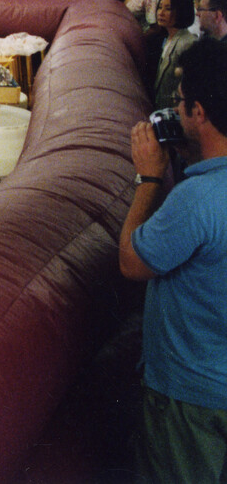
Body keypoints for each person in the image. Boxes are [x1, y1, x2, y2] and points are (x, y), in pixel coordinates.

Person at [119, 39, 227, 484]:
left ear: (199, 112)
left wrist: (148, 178)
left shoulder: (196, 199)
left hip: (190, 398)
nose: (177, 112)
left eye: (181, 103)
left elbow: (132, 262)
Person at [151, 0, 196, 110]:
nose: (161, 12)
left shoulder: (188, 43)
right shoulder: (166, 38)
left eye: (168, 8)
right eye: (160, 7)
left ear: (181, 11)